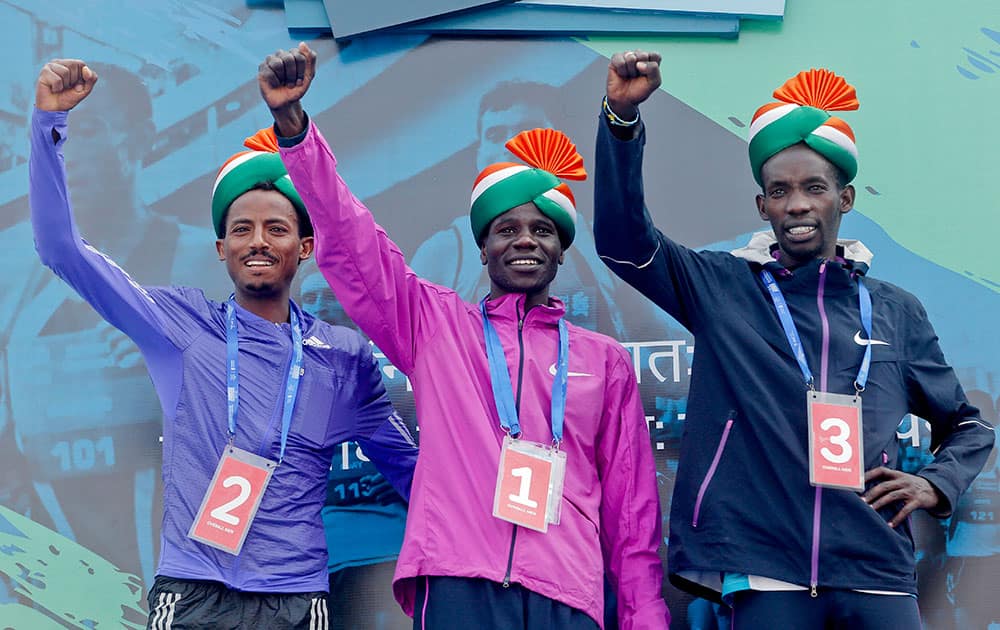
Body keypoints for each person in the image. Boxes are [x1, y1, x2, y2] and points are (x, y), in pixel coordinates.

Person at [263, 43, 670, 629]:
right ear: (483, 246)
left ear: (561, 248)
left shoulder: (603, 362)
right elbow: (354, 243)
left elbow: (632, 514)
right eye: (507, 228)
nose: (525, 240)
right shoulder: (438, 326)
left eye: (542, 229)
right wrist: (297, 132)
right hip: (458, 581)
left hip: (567, 593)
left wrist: (645, 618)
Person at [592, 50, 995, 627]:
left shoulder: (895, 311)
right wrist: (621, 123)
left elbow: (968, 425)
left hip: (876, 570)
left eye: (814, 187)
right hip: (766, 571)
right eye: (779, 192)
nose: (797, 204)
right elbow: (623, 243)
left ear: (845, 199)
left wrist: (936, 483)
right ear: (762, 206)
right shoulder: (721, 286)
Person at [30, 57, 417, 628]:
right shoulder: (182, 323)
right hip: (191, 591)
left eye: (276, 229)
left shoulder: (343, 357)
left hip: (295, 598)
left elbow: (410, 469)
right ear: (221, 250)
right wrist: (48, 126)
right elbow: (62, 250)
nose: (258, 242)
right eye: (241, 230)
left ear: (304, 248)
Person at [297, 264, 415, 630]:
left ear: (350, 303)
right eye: (309, 298)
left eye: (328, 297)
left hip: (396, 544)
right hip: (320, 555)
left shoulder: (401, 365)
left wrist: (418, 474)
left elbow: (446, 446)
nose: (318, 306)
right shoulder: (284, 373)